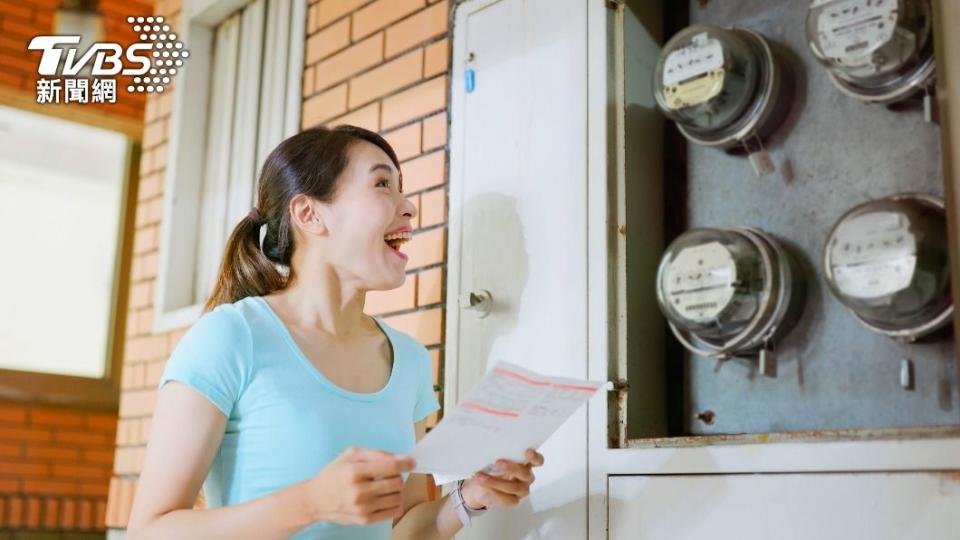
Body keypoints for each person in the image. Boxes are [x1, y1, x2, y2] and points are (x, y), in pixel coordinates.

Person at [126, 125, 544, 539]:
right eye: (383, 184)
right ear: (310, 214)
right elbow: (149, 531)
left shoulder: (410, 361)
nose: (409, 207)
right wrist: (311, 503)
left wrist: (468, 499)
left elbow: (406, 529)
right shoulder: (232, 337)